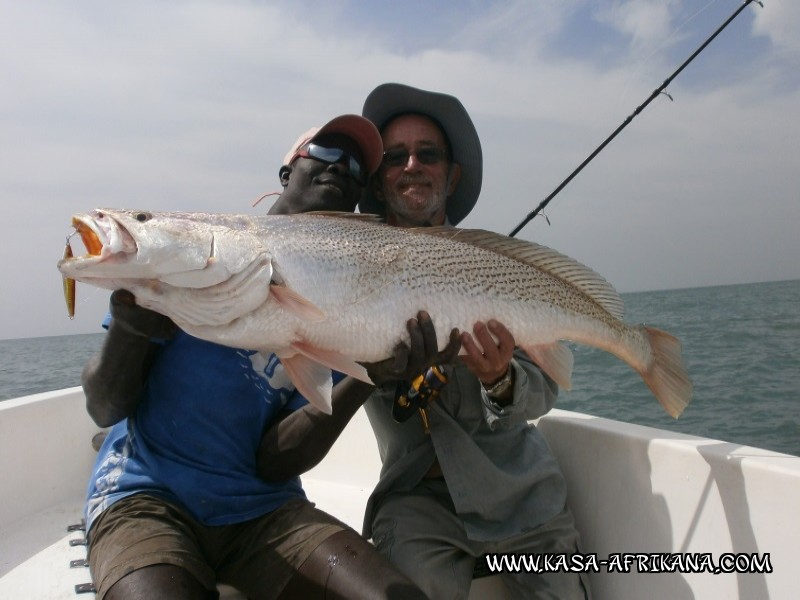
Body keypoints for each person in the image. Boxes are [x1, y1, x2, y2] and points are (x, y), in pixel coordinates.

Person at [82, 114, 430, 600]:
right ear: (288, 171)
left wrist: (371, 374)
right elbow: (104, 407)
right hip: (145, 499)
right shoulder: (192, 260)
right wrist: (132, 324)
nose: (340, 168)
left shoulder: (348, 310)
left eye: (354, 168)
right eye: (325, 153)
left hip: (264, 511)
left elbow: (276, 462)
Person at [355, 83, 591, 599]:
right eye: (395, 157)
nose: (411, 165)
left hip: (522, 495)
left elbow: (544, 390)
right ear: (377, 181)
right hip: (415, 503)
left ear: (452, 173)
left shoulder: (498, 269)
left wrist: (500, 381)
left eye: (428, 154)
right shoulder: (349, 272)